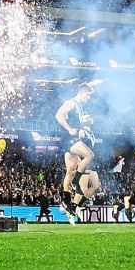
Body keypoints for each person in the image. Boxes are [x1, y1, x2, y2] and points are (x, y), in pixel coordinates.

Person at [55, 84, 95, 220]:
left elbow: (77, 123)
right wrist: (69, 129)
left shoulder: (79, 107)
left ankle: (65, 200)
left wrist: (84, 125)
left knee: (70, 170)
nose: (88, 98)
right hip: (68, 138)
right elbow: (58, 115)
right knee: (89, 155)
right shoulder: (71, 102)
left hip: (72, 138)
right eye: (88, 95)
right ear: (82, 92)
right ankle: (76, 181)